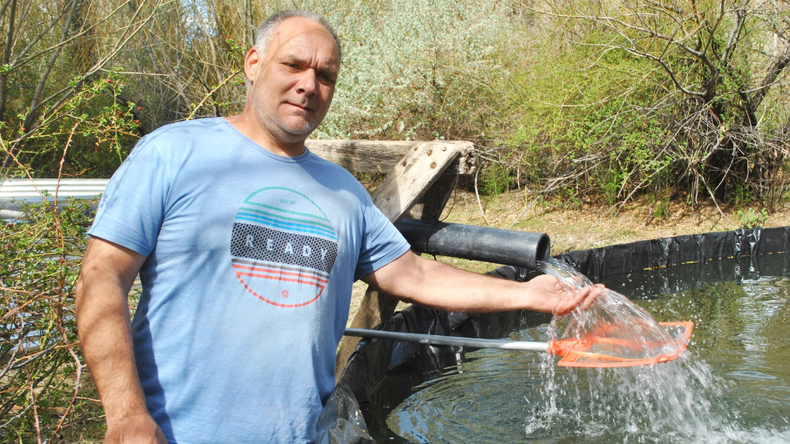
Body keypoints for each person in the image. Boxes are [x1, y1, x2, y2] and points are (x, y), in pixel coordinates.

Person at [75, 9, 601, 444]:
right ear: (253, 64)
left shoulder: (342, 192)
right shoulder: (174, 153)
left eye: (324, 75)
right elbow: (102, 280)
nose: (309, 84)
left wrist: (530, 294)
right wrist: (125, 416)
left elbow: (413, 275)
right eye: (294, 65)